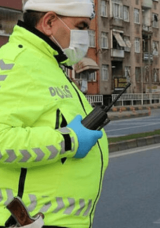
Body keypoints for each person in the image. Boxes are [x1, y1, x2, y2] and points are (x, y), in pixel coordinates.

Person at [0, 0, 109, 227]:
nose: (85, 36)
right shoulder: (16, 63)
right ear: (49, 22)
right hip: (28, 222)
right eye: (80, 26)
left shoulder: (48, 65)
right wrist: (70, 140)